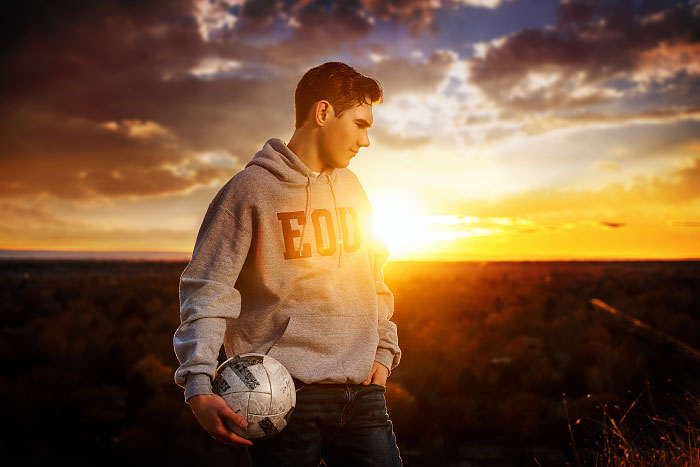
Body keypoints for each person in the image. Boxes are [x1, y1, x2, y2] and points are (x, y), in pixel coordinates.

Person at [173, 62, 402, 466]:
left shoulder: (351, 187)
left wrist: (383, 353)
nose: (366, 141)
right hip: (282, 398)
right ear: (323, 112)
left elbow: (374, 276)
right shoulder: (249, 191)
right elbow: (208, 289)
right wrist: (197, 383)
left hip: (363, 394)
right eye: (361, 124)